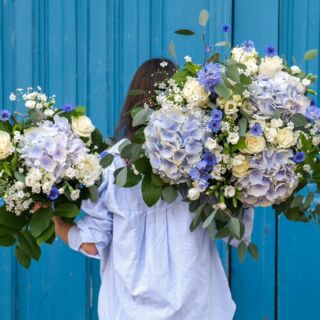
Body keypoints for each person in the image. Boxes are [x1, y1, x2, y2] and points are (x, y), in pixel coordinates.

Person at [53, 58, 254, 320]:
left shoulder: (112, 163)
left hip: (129, 310)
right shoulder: (204, 159)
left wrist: (57, 221)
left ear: (133, 105)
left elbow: (92, 244)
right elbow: (234, 233)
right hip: (197, 307)